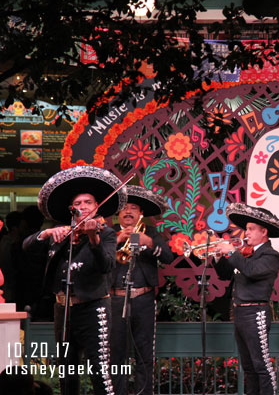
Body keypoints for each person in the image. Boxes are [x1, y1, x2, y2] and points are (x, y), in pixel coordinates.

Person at [22, 165, 127, 395]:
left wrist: (93, 238)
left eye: (87, 202)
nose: (82, 207)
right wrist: (47, 234)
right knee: (66, 371)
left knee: (100, 370)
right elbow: (27, 246)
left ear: (96, 206)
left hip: (93, 308)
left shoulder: (106, 234)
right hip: (63, 309)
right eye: (78, 204)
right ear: (71, 209)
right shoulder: (60, 234)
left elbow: (107, 265)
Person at [213, 202, 279, 395]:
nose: (246, 233)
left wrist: (231, 251)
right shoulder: (246, 253)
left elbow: (251, 271)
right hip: (239, 313)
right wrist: (216, 257)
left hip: (256, 314)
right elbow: (224, 274)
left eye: (251, 229)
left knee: (261, 365)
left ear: (264, 232)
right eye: (246, 229)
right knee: (248, 366)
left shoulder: (270, 255)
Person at [110, 185, 173, 395]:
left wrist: (150, 243)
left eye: (134, 207)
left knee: (144, 354)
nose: (128, 211)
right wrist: (118, 240)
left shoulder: (151, 232)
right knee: (115, 354)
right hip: (116, 299)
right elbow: (97, 258)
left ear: (141, 213)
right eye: (124, 208)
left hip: (144, 299)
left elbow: (168, 257)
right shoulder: (109, 235)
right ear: (118, 213)